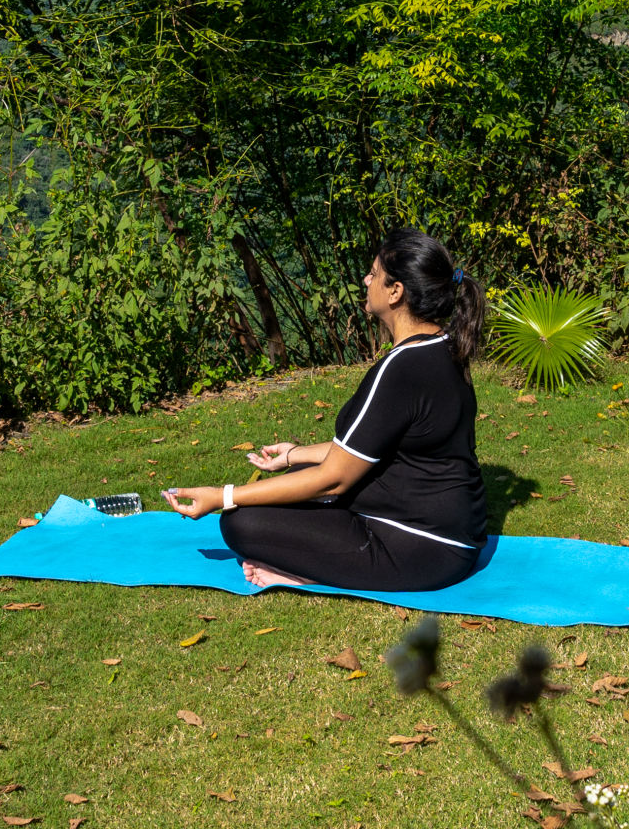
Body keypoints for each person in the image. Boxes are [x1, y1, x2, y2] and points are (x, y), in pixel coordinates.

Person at [162, 229, 488, 591]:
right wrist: (292, 455)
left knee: (240, 522)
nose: (366, 280)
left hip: (420, 548)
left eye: (374, 274)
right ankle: (314, 555)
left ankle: (302, 573)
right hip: (455, 533)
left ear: (396, 292)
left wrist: (222, 495)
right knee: (299, 471)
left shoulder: (401, 368)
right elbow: (377, 444)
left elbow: (335, 477)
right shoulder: (444, 346)